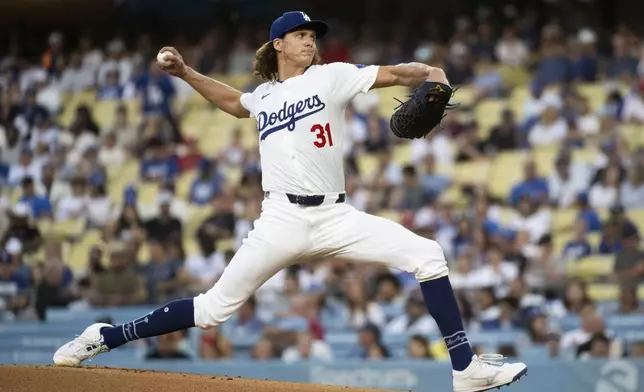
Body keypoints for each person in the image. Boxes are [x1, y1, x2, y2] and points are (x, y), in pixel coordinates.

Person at [53, 11, 527, 391]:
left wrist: (429, 71)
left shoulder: (332, 76)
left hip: (336, 214)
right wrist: (185, 72)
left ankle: (464, 369)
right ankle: (104, 336)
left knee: (428, 254)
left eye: (312, 36)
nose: (309, 41)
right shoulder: (263, 96)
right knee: (212, 310)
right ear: (278, 44)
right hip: (280, 217)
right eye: (299, 35)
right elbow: (232, 102)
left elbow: (394, 73)